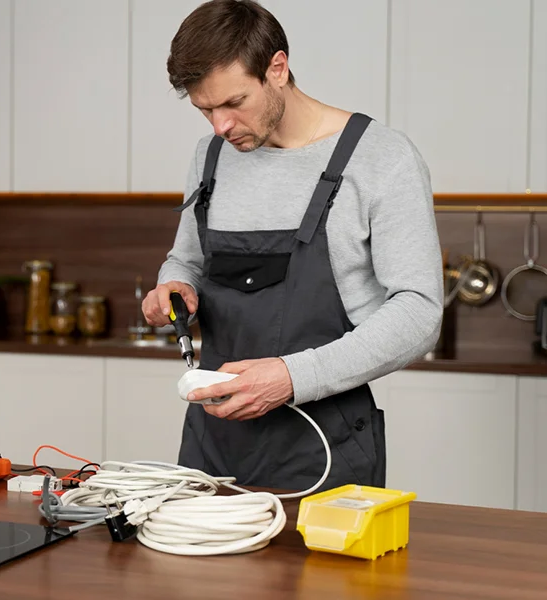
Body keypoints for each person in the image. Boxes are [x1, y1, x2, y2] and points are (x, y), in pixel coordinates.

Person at [142, 0, 443, 492]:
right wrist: (173, 283)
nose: (220, 126)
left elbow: (420, 313)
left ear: (277, 69)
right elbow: (187, 258)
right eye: (205, 109)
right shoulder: (210, 156)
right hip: (213, 442)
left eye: (234, 102)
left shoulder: (381, 158)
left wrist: (291, 377)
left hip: (327, 447)